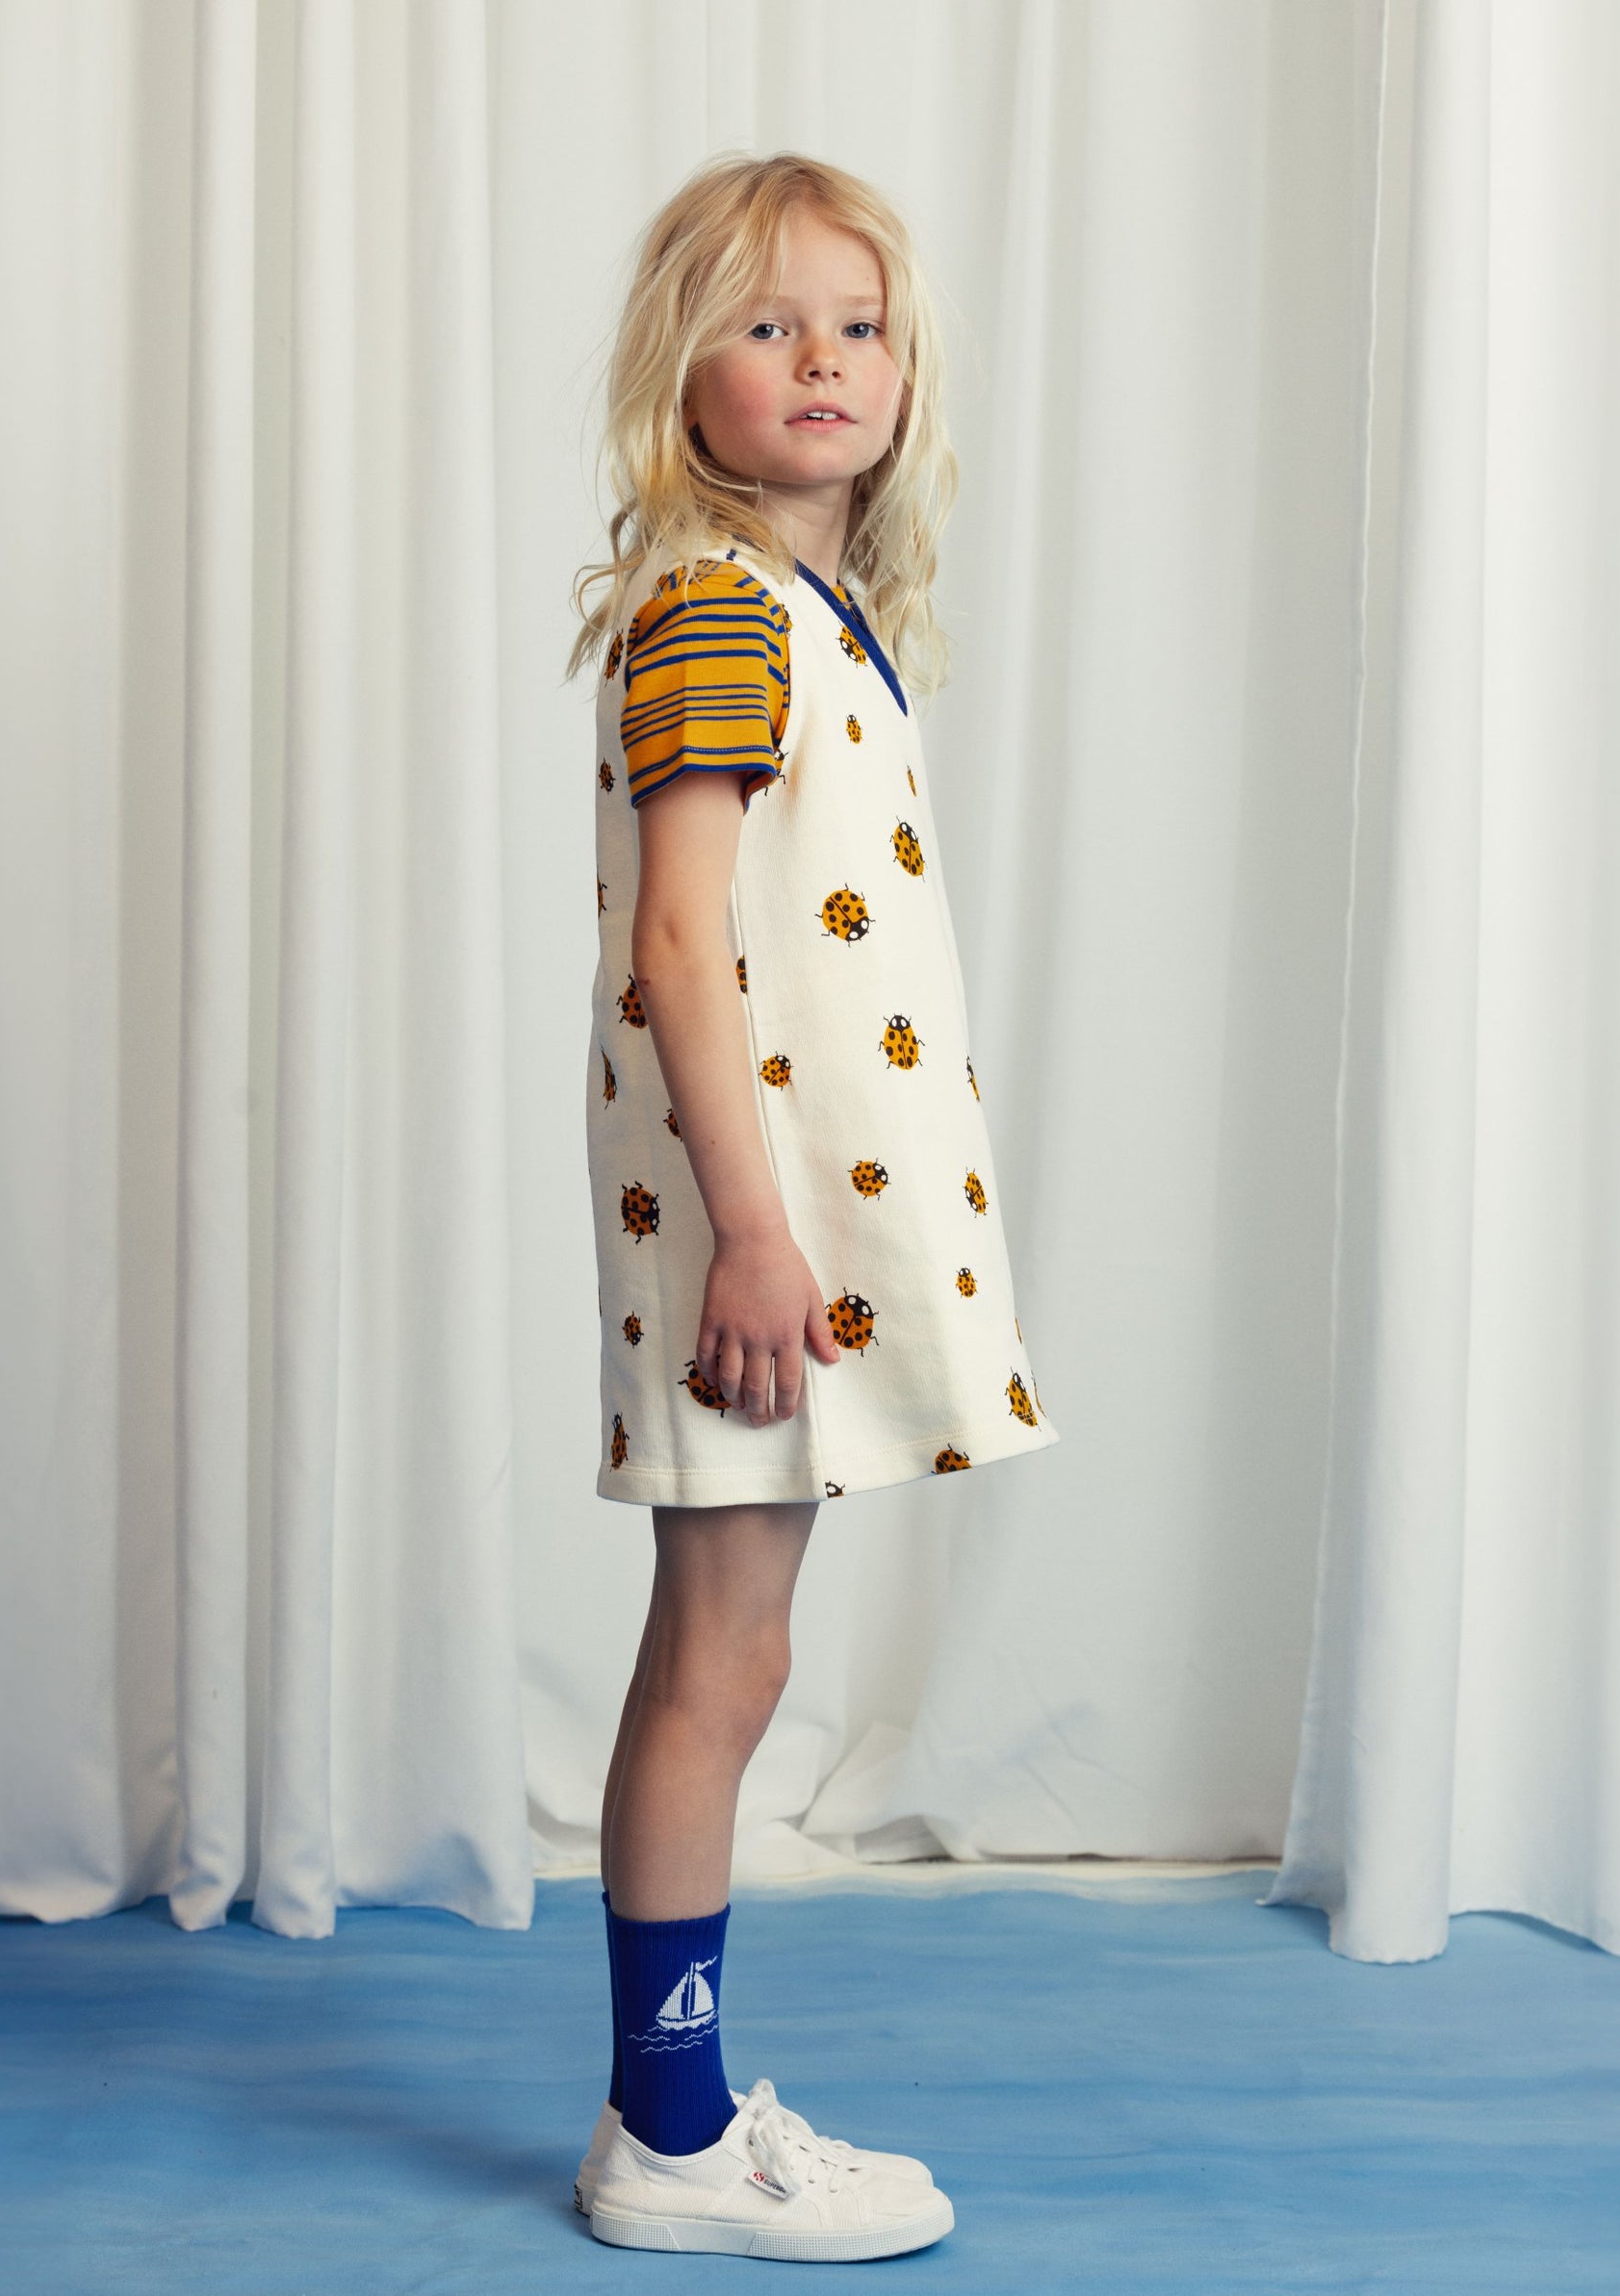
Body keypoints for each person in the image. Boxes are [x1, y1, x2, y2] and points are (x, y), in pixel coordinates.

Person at [563, 150, 1059, 2263]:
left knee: (736, 1643)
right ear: (682, 376)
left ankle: (668, 2106)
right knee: (723, 1654)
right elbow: (682, 946)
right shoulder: (710, 611)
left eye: (855, 321)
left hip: (797, 1222)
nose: (821, 359)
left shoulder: (809, 616)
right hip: (756, 1235)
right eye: (764, 324)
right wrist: (759, 1238)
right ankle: (665, 2126)